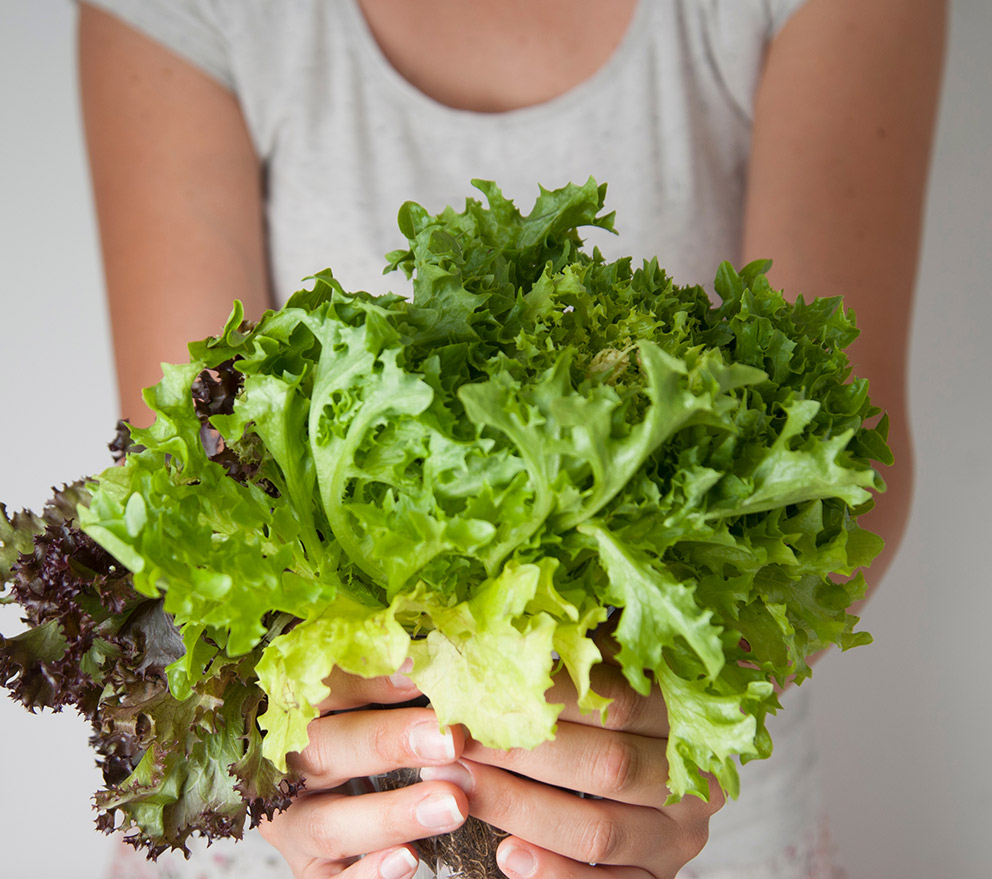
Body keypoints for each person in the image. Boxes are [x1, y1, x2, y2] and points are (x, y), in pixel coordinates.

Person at [75, 1, 946, 877]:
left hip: (675, 821)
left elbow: (831, 463)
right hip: (321, 820)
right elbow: (187, 483)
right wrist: (273, 727)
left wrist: (680, 705)